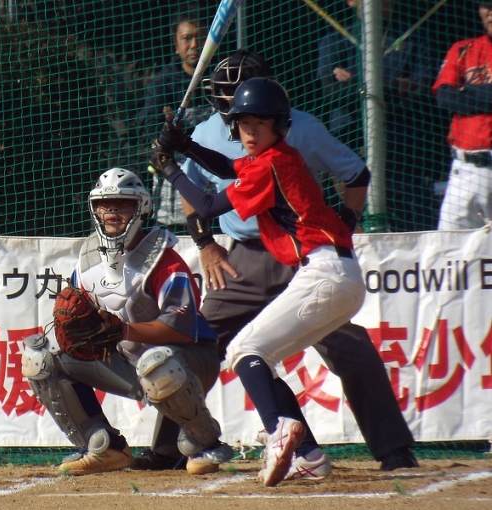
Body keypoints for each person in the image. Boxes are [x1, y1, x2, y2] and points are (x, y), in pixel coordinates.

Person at [136, 50, 418, 478]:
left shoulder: (294, 135)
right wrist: (186, 147)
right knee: (206, 343)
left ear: (278, 118)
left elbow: (209, 202)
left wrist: (169, 167)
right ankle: (186, 448)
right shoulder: (254, 145)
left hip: (311, 267)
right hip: (248, 261)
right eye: (242, 119)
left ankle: (384, 447)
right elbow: (229, 168)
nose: (248, 128)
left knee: (289, 350)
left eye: (258, 119)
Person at [21, 168, 233, 476]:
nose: (111, 212)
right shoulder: (88, 261)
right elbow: (80, 318)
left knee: (157, 364)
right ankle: (104, 447)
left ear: (142, 207)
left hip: (192, 360)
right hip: (131, 361)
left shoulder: (164, 259)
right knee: (41, 359)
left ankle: (205, 441)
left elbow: (182, 329)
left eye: (123, 204)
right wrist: (79, 334)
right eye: (104, 205)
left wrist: (122, 330)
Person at [317, 0, 439, 232]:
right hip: (350, 139)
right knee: (352, 218)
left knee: (409, 217)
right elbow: (331, 92)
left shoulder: (415, 37)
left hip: (402, 143)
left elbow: (421, 90)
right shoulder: (334, 40)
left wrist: (357, 83)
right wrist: (395, 86)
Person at [136, 5, 214, 227]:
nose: (194, 45)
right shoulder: (161, 84)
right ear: (176, 44)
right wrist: (168, 131)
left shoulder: (222, 80)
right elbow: (151, 132)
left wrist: (181, 131)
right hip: (172, 212)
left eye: (200, 38)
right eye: (187, 38)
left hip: (217, 205)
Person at [432, 1, 492, 230]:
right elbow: (445, 97)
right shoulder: (463, 49)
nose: (490, 11)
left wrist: (468, 91)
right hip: (466, 170)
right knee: (448, 244)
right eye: (486, 5)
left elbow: (458, 96)